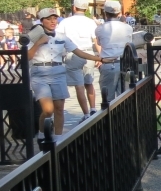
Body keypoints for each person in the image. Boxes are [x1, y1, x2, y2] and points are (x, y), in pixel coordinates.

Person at [27, 8, 106, 138]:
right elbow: (27, 56)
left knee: (59, 108)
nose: (53, 21)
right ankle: (42, 134)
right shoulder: (33, 36)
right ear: (41, 21)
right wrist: (39, 42)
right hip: (40, 73)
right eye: (48, 19)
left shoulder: (62, 37)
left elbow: (78, 52)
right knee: (48, 110)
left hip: (58, 73)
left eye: (55, 18)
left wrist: (100, 59)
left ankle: (58, 139)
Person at [57, 0, 100, 117]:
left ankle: (86, 114)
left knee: (79, 85)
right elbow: (96, 40)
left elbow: (59, 38)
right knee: (89, 82)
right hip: (89, 53)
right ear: (86, 9)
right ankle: (93, 108)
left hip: (73, 54)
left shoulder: (65, 22)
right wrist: (100, 56)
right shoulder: (91, 22)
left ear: (74, 7)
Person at [95, 0, 134, 104]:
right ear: (119, 13)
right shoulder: (128, 28)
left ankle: (110, 114)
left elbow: (99, 43)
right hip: (125, 64)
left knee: (108, 98)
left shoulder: (99, 29)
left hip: (108, 63)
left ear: (105, 13)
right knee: (124, 96)